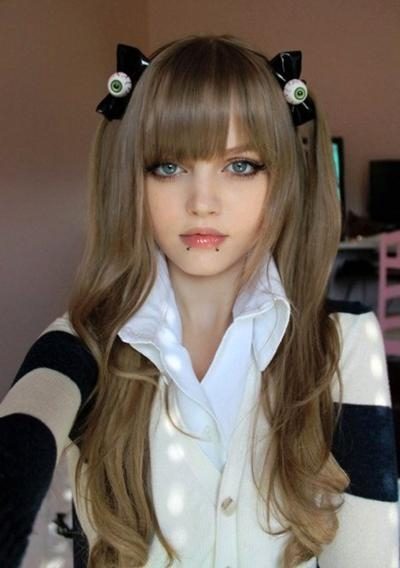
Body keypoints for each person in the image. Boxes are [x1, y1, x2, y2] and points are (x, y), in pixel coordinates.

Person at [0, 35, 398, 568]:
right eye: (168, 166)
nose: (202, 202)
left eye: (241, 166)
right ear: (131, 178)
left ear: (283, 178)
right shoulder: (81, 343)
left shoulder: (342, 345)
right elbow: (21, 443)